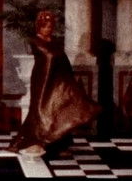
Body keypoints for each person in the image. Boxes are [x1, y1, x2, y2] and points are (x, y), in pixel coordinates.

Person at [7, 10, 101, 157]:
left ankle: (59, 145)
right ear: (39, 27)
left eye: (50, 27)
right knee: (41, 109)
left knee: (59, 110)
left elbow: (62, 59)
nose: (48, 29)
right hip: (43, 81)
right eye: (45, 27)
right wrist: (57, 55)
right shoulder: (35, 41)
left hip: (58, 81)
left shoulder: (55, 41)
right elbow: (49, 56)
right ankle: (35, 142)